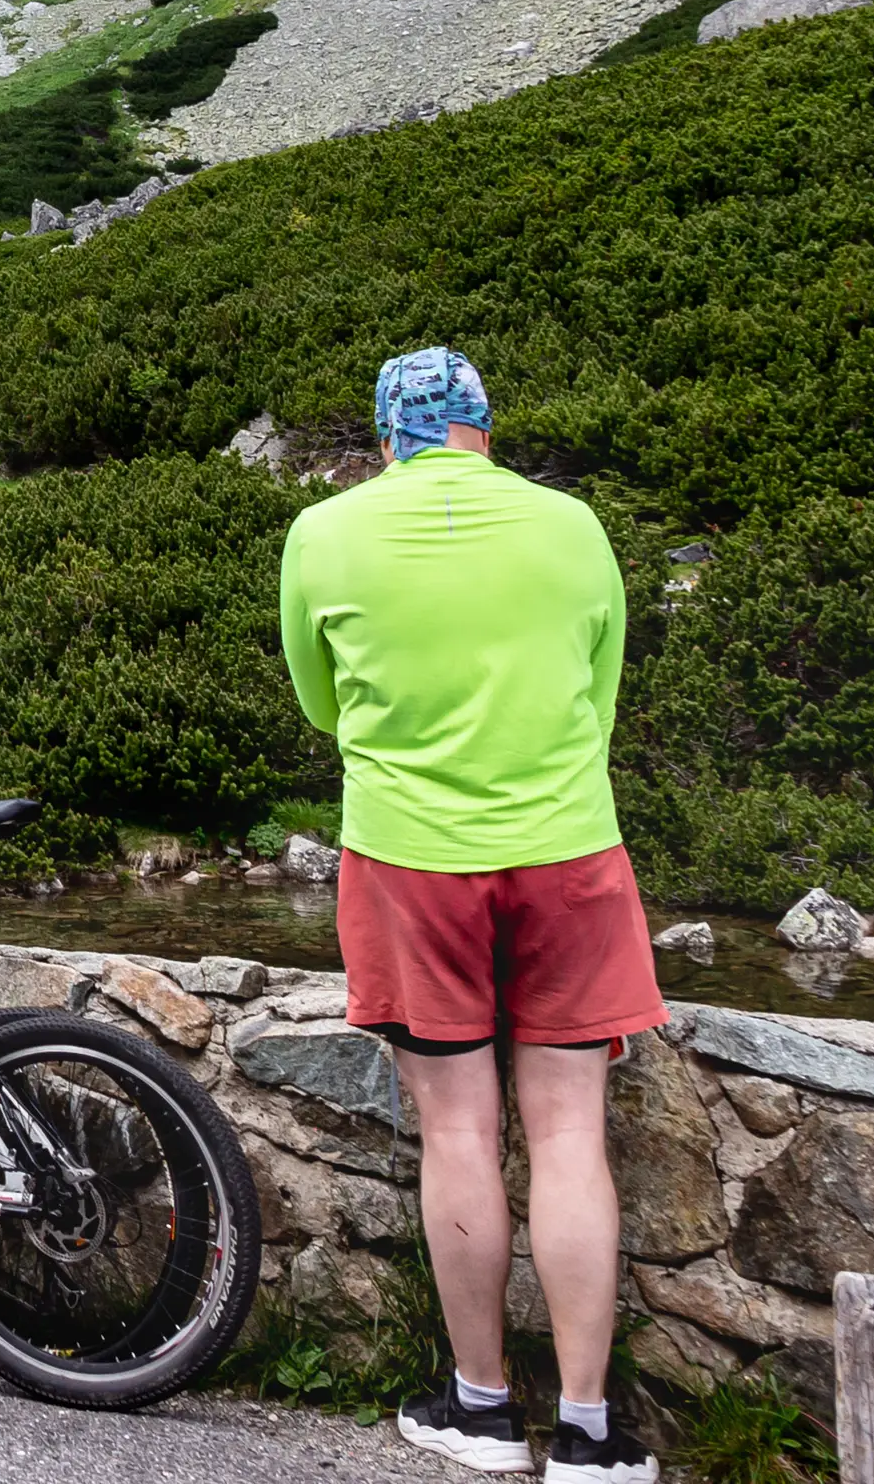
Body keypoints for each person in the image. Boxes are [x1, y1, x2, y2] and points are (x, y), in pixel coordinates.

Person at [281, 350, 663, 1484]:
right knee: (567, 1132)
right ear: (484, 429)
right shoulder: (574, 524)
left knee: (457, 1130)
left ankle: (482, 1410)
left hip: (409, 858)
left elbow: (319, 698)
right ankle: (591, 1432)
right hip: (569, 849)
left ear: (388, 435)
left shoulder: (327, 532)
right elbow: (603, 683)